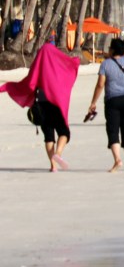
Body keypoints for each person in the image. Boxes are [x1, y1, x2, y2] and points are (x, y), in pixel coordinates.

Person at [1, 42, 80, 173]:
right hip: (56, 105)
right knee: (64, 132)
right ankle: (58, 154)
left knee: (49, 136)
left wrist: (8, 87)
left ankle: (53, 166)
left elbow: (29, 83)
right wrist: (75, 61)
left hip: (41, 105)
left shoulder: (37, 66)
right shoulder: (57, 67)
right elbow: (70, 68)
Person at [87, 38, 124, 172]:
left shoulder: (105, 64)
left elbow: (100, 85)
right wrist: (122, 50)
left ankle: (117, 160)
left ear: (112, 49)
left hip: (112, 100)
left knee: (113, 130)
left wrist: (93, 102)